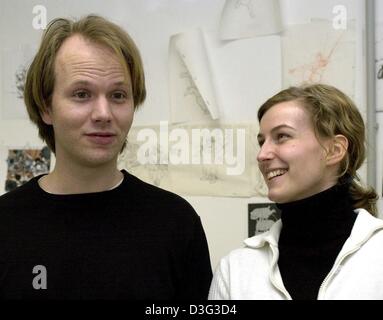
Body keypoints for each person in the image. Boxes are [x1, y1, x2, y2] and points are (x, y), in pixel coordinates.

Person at [0, 15, 212, 299]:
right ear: (46, 108)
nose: (103, 113)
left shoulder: (175, 223)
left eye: (118, 95)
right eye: (81, 94)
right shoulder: (6, 224)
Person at [209, 84, 383, 300]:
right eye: (262, 141)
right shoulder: (236, 270)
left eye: (282, 136)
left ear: (335, 150)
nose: (262, 154)